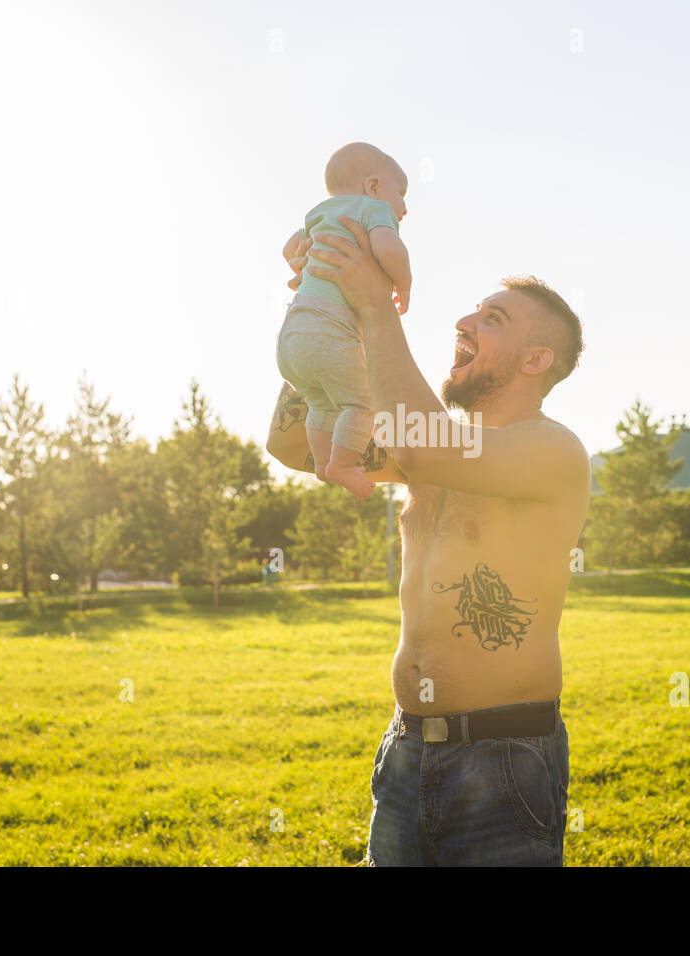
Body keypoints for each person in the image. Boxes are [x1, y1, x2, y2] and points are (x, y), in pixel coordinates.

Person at [266, 217, 589, 866]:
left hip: (504, 763)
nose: (464, 323)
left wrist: (368, 302)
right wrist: (325, 311)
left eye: (492, 318)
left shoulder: (552, 451)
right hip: (406, 750)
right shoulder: (433, 452)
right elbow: (293, 444)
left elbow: (419, 442)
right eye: (471, 313)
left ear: (536, 360)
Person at [276, 142, 412, 500]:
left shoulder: (320, 213)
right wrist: (405, 284)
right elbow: (388, 248)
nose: (404, 208)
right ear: (373, 187)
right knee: (360, 403)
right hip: (329, 331)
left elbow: (291, 246)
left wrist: (295, 256)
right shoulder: (372, 209)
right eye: (401, 195)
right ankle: (341, 464)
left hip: (292, 334)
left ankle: (324, 463)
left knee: (322, 404)